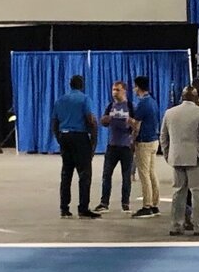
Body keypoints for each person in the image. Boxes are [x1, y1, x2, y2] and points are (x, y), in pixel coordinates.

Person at [157, 83, 199, 236]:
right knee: (197, 193)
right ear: (196, 98)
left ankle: (176, 225)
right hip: (196, 159)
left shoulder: (170, 113)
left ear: (181, 97)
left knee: (178, 193)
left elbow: (163, 137)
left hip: (176, 158)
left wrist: (168, 154)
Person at [51, 73, 100, 220]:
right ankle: (83, 208)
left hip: (65, 136)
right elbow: (90, 119)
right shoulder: (85, 99)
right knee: (84, 174)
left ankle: (64, 208)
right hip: (80, 137)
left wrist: (59, 138)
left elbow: (54, 122)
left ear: (70, 85)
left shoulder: (60, 100)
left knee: (66, 174)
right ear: (82, 85)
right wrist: (93, 142)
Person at [96, 82, 137, 214]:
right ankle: (104, 203)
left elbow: (137, 125)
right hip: (112, 146)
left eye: (117, 90)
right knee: (106, 175)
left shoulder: (130, 106)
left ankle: (125, 203)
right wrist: (105, 119)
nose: (114, 92)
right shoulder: (110, 106)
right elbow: (102, 122)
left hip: (126, 146)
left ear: (124, 91)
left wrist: (132, 125)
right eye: (113, 89)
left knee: (126, 177)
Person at [129, 75, 163, 217]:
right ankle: (155, 203)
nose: (134, 89)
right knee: (151, 172)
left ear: (138, 87)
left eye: (135, 86)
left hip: (144, 142)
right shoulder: (153, 102)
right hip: (154, 140)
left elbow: (137, 125)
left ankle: (147, 205)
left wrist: (129, 123)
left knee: (144, 174)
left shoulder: (142, 104)